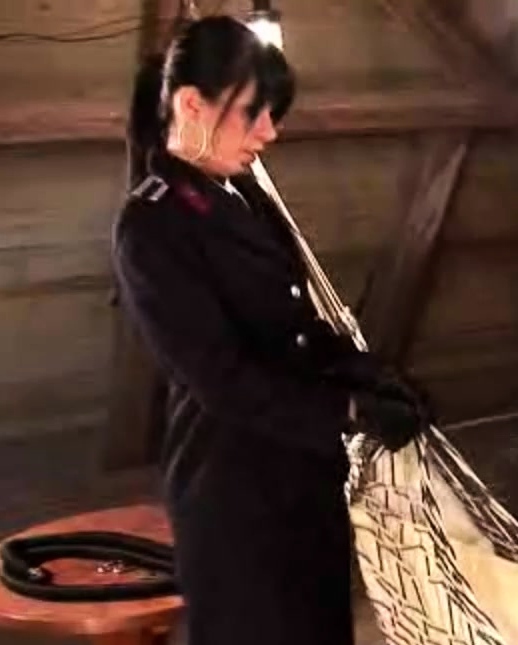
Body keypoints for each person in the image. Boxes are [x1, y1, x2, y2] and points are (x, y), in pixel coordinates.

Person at [111, 15, 429, 645]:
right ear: (192, 105)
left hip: (302, 471)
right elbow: (219, 377)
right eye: (253, 113)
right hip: (233, 493)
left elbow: (294, 327)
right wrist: (346, 408)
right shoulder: (151, 223)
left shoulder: (241, 195)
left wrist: (367, 372)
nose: (269, 132)